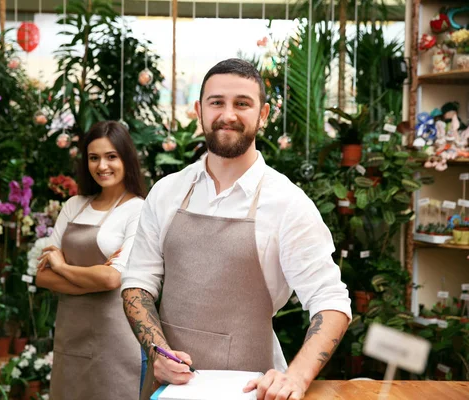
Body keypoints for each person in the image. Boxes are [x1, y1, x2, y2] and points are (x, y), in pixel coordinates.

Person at [121, 59, 352, 400]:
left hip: (249, 390)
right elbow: (137, 284)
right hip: (168, 389)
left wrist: (296, 378)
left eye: (242, 103)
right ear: (199, 110)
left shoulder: (288, 203)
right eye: (217, 102)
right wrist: (157, 351)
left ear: (263, 114)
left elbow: (331, 301)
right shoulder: (167, 191)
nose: (228, 114)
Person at [36, 120, 146, 400]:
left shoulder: (138, 210)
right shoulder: (74, 205)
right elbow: (42, 276)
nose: (102, 166)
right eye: (94, 158)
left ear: (126, 159)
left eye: (111, 157)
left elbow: (113, 278)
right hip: (70, 337)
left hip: (115, 342)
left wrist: (62, 267)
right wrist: (93, 279)